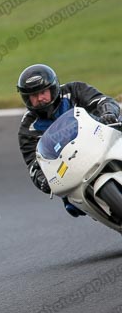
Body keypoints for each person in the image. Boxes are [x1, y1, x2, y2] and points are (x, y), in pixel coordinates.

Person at [17, 64, 121, 216]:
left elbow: (102, 101)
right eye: (34, 96)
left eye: (43, 92)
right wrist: (42, 180)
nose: (40, 98)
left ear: (53, 88)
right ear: (27, 99)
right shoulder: (28, 129)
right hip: (69, 169)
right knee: (72, 206)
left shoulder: (74, 91)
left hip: (101, 141)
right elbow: (33, 164)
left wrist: (108, 112)